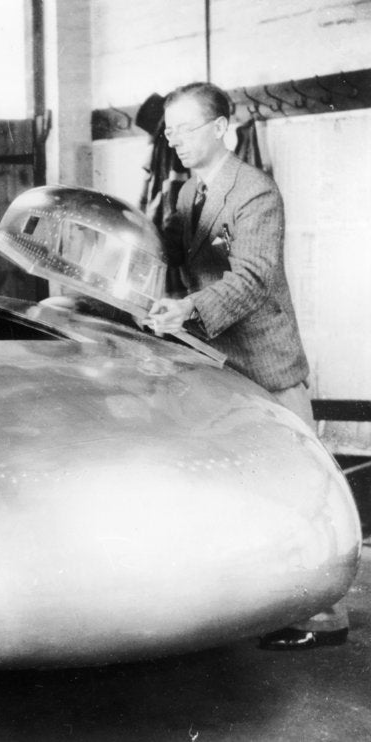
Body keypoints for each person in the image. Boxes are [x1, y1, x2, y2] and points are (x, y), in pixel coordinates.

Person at [148, 81, 347, 650]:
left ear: (220, 128)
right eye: (169, 129)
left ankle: (324, 614)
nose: (175, 139)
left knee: (302, 485)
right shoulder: (186, 196)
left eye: (186, 128)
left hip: (265, 359)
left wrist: (188, 308)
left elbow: (254, 278)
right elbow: (182, 269)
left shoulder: (256, 192)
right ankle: (261, 598)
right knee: (239, 483)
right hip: (213, 356)